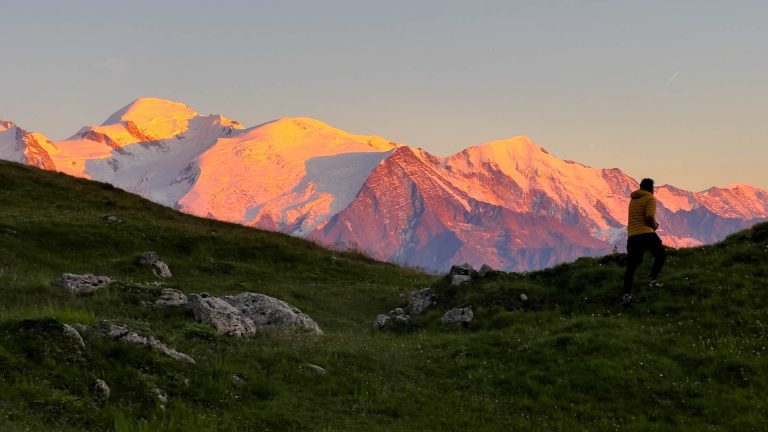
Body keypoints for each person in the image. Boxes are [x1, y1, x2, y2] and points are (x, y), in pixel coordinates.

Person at [622, 178, 666, 305]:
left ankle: (627, 294)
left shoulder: (633, 200)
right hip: (646, 233)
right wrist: (655, 226)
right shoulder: (650, 199)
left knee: (632, 265)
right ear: (651, 188)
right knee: (660, 255)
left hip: (632, 236)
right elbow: (649, 216)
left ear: (640, 187)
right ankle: (652, 280)